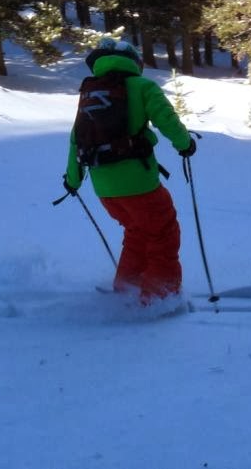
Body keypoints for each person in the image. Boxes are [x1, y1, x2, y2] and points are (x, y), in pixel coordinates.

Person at [62, 37, 197, 306]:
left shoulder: (90, 93)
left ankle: (128, 288)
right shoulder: (143, 86)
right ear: (134, 62)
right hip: (138, 183)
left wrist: (73, 180)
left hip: (104, 189)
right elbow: (167, 120)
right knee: (162, 233)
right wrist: (186, 144)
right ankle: (159, 297)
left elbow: (77, 139)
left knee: (137, 232)